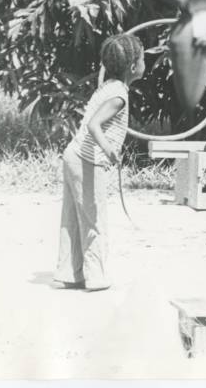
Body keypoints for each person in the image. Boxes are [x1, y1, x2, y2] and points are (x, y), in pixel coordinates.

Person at [54, 34, 145, 291]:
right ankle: (96, 276)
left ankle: (71, 273)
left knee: (72, 217)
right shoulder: (118, 96)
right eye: (143, 59)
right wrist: (109, 150)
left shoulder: (109, 85)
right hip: (87, 161)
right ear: (133, 67)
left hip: (73, 155)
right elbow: (94, 124)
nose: (144, 63)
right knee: (94, 218)